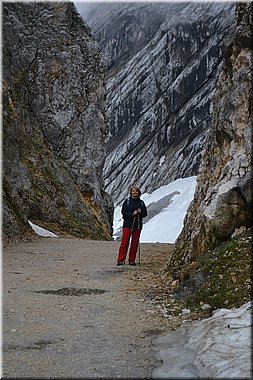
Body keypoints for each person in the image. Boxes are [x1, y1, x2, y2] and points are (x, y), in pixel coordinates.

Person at [117, 185, 147, 266]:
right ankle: (120, 260)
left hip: (137, 225)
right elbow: (123, 213)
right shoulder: (127, 201)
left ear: (138, 192)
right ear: (130, 192)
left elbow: (145, 214)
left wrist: (141, 212)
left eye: (136, 191)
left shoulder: (141, 203)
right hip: (127, 225)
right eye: (133, 191)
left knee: (134, 243)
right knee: (125, 242)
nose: (135, 192)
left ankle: (131, 260)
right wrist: (132, 214)